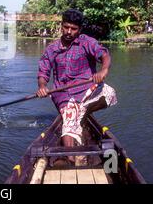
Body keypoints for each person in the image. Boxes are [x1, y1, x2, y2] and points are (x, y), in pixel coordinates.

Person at [37, 9, 117, 164]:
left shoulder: (87, 42)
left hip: (86, 90)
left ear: (79, 30)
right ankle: (69, 158)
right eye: (66, 27)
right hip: (63, 93)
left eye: (73, 29)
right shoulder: (52, 49)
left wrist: (103, 70)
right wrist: (42, 86)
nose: (68, 31)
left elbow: (104, 55)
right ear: (61, 25)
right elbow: (43, 72)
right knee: (69, 116)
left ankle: (82, 112)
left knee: (110, 93)